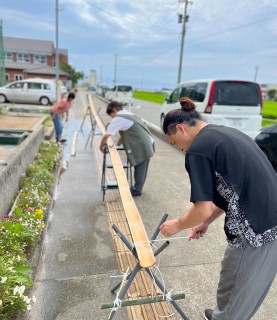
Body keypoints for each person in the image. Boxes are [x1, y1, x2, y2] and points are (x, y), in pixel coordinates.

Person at [159, 97, 277, 320]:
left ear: (181, 129)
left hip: (252, 231)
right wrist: (205, 222)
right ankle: (222, 315)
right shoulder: (226, 134)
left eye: (175, 142)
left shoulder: (198, 151)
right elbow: (233, 190)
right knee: (252, 291)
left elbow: (201, 208)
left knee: (234, 287)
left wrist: (178, 224)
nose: (179, 148)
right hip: (272, 218)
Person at [99, 101, 155, 196]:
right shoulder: (127, 114)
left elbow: (106, 136)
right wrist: (117, 145)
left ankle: (137, 190)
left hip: (141, 144)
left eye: (111, 114)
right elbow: (125, 133)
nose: (111, 117)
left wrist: (100, 147)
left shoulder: (118, 118)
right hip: (147, 142)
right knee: (142, 168)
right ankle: (138, 188)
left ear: (114, 110)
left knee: (140, 168)